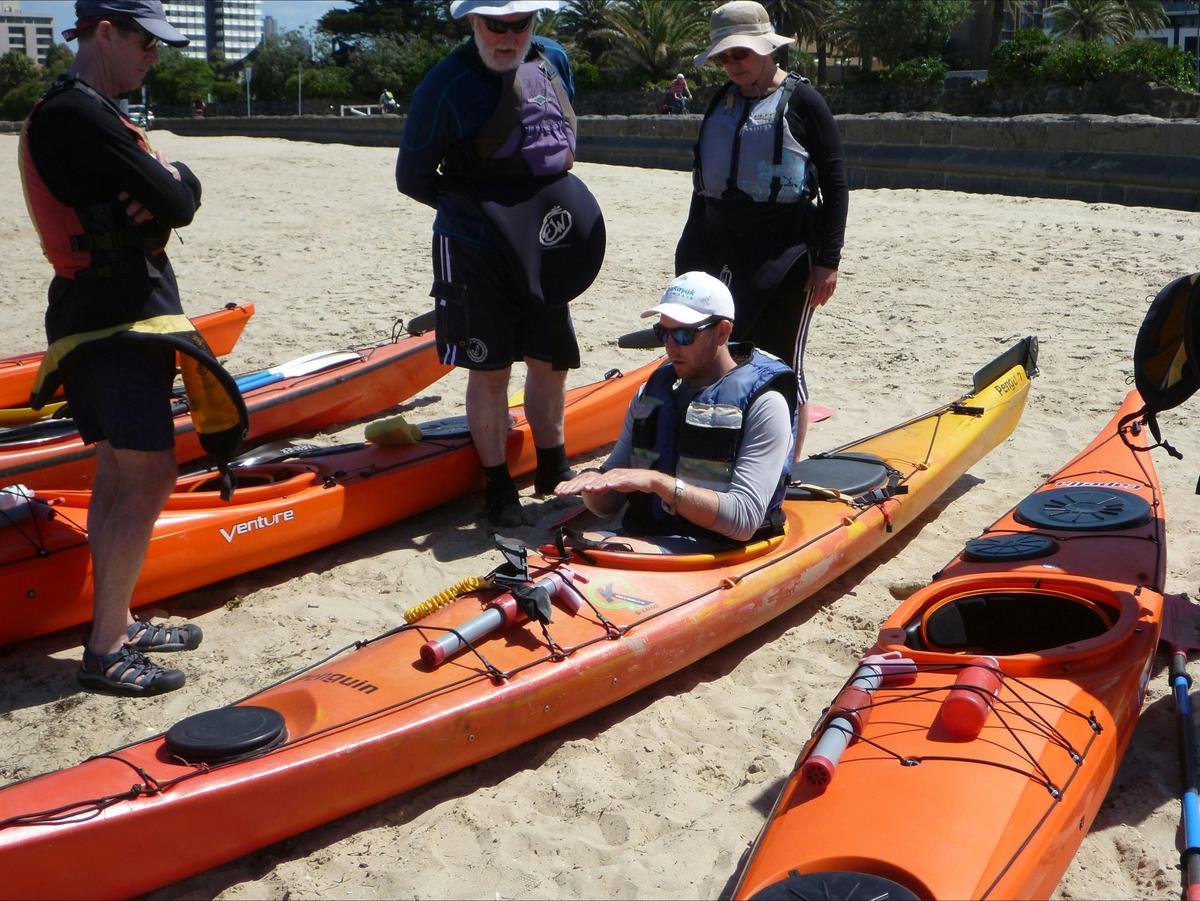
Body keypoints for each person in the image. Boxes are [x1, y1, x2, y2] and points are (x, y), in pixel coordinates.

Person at [20, 0, 234, 696]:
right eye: (146, 41)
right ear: (104, 32)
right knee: (147, 474)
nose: (155, 56)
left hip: (101, 317)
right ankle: (107, 646)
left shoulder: (82, 111)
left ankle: (119, 619)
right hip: (117, 320)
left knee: (123, 471)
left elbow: (176, 190)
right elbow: (174, 202)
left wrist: (175, 182)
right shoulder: (79, 115)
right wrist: (171, 184)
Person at [397, 0, 605, 528]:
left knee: (550, 358)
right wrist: (482, 209)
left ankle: (553, 466)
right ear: (473, 22)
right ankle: (496, 487)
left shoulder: (553, 58)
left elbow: (557, 132)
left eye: (521, 24)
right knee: (489, 370)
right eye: (496, 25)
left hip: (546, 240)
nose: (508, 36)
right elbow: (413, 176)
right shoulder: (447, 83)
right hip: (475, 247)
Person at [676, 0, 848, 462]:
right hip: (721, 248)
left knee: (779, 362)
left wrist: (828, 262)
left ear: (767, 50)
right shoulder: (722, 102)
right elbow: (703, 186)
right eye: (724, 58)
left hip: (786, 253)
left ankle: (783, 468)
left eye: (740, 55)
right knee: (722, 356)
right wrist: (689, 254)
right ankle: (728, 454)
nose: (731, 65)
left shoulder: (804, 101)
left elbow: (835, 184)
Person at [555, 272, 797, 552]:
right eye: (663, 333)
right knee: (564, 546)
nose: (670, 345)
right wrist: (592, 485)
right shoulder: (650, 394)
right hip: (650, 538)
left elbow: (744, 521)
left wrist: (660, 485)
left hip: (718, 549)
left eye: (684, 334)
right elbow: (608, 507)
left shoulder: (766, 404)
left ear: (722, 332)